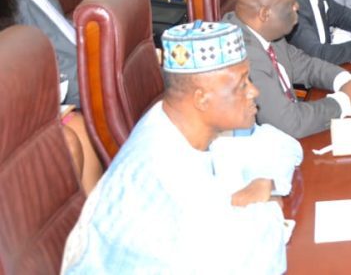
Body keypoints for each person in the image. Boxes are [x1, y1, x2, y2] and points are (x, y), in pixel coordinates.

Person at [62, 21, 301, 273]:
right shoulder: (162, 168)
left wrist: (256, 189)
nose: (254, 91)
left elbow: (283, 145)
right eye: (243, 84)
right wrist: (267, 206)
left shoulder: (177, 121)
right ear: (201, 98)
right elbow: (256, 262)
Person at [223, 0, 351, 139]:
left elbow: (306, 66)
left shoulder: (263, 31)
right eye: (290, 4)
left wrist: (347, 81)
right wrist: (345, 99)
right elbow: (288, 123)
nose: (297, 6)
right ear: (265, 14)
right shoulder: (242, 57)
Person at [0, 0, 101, 193]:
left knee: (135, 65)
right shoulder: (9, 6)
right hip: (63, 77)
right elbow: (33, 60)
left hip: (81, 57)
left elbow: (61, 27)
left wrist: (98, 45)